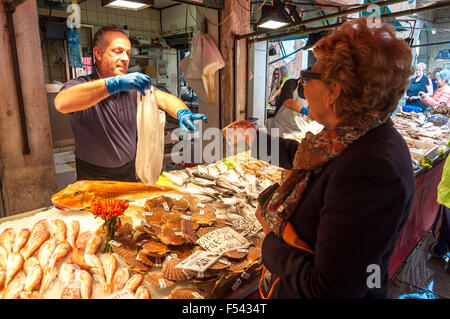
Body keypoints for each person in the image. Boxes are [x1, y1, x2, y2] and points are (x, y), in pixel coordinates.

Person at [224, 17, 415, 298]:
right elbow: (312, 159)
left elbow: (328, 290)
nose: (304, 86)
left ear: (333, 92)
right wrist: (255, 139)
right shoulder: (353, 137)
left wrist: (270, 240)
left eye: (308, 77)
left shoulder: (371, 170)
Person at [54, 25, 207, 182]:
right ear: (98, 53)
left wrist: (182, 111)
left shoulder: (132, 88)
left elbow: (164, 99)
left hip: (129, 172)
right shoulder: (83, 85)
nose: (126, 58)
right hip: (94, 177)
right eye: (118, 51)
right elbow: (62, 102)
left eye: (128, 53)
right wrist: (113, 84)